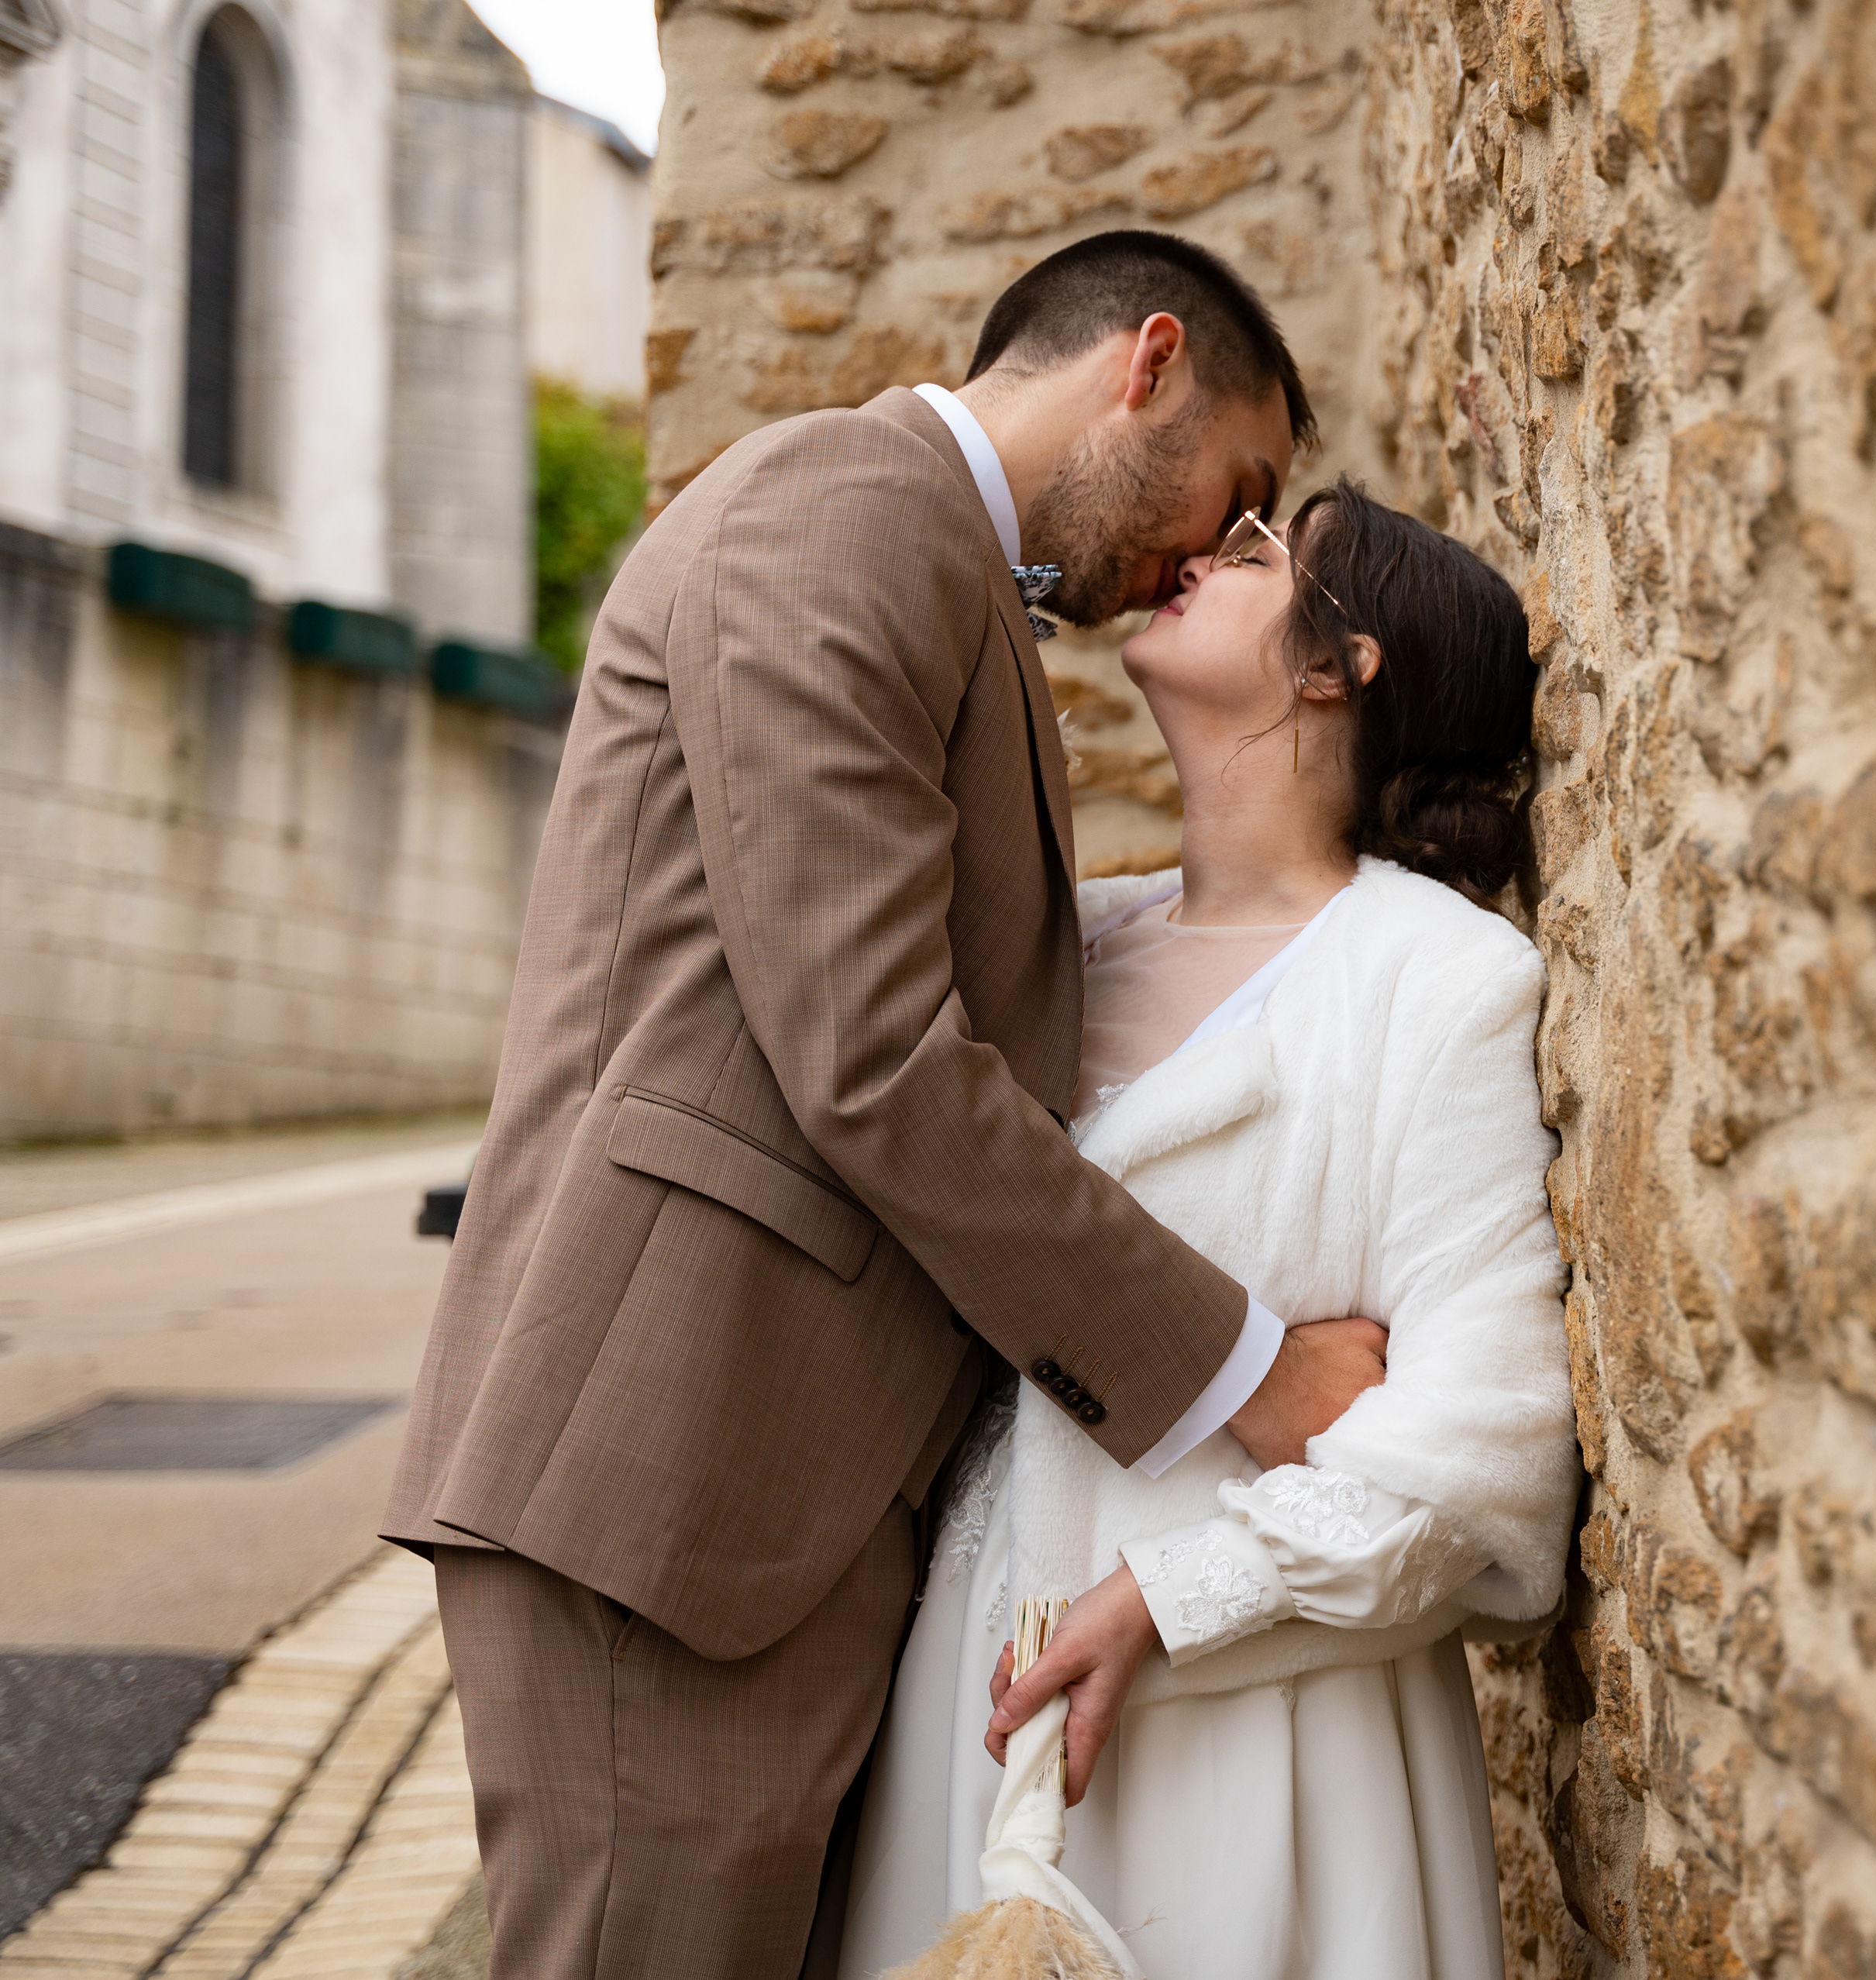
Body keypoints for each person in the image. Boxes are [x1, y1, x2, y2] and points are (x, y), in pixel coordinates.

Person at [381, 232, 1398, 1980]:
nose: (1212, 554)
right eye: (1237, 493)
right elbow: (871, 1055)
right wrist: (1256, 1372)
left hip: (755, 1506)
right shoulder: (841, 511)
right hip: (666, 1487)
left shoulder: (928, 558)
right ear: (1145, 362)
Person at [835, 480, 1578, 1980]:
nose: (1198, 557)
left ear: (1338, 662)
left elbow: (1491, 1455)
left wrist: (1172, 1600)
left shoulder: (1433, 986)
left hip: (1258, 1754)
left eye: (1259, 554)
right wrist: (1267, 1370)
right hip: (973, 1707)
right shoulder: (1059, 948)